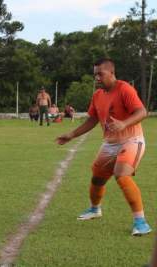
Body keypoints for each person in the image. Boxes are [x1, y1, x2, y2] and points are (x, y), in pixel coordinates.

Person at [56, 58, 151, 236]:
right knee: (97, 179)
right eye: (95, 75)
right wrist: (71, 135)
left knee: (122, 175)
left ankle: (141, 222)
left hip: (132, 140)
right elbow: (92, 119)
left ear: (112, 73)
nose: (97, 78)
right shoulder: (97, 95)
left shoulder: (124, 89)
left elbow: (142, 112)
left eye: (100, 74)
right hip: (110, 143)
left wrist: (124, 124)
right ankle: (94, 209)